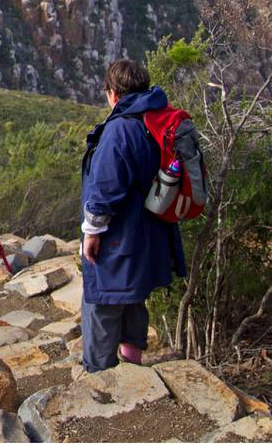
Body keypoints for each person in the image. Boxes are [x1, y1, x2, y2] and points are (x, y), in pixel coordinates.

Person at [80, 59, 187, 372]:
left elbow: (104, 188)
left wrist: (92, 231)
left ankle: (100, 379)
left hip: (118, 237)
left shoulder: (120, 129)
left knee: (102, 303)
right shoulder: (156, 122)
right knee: (134, 297)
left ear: (113, 93)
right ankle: (134, 369)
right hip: (150, 235)